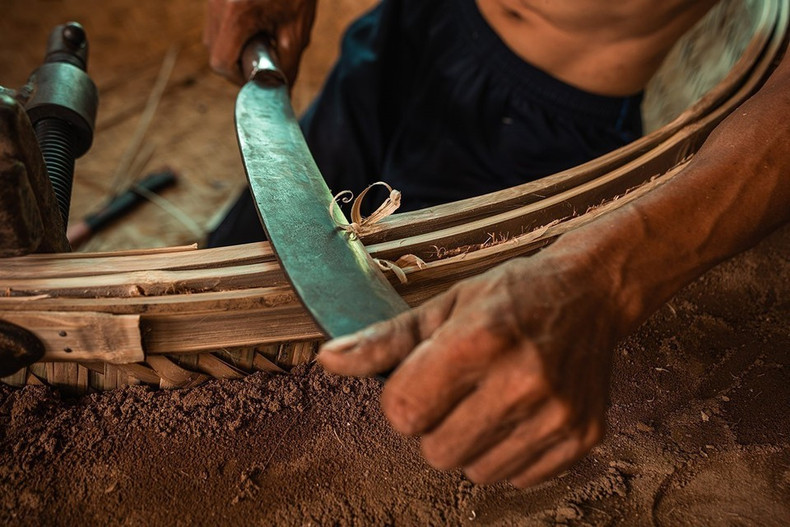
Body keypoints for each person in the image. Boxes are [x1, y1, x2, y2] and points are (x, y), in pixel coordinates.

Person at [205, 0, 790, 488]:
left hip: (545, 114)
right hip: (411, 23)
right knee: (234, 262)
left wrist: (603, 279)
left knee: (406, 389)